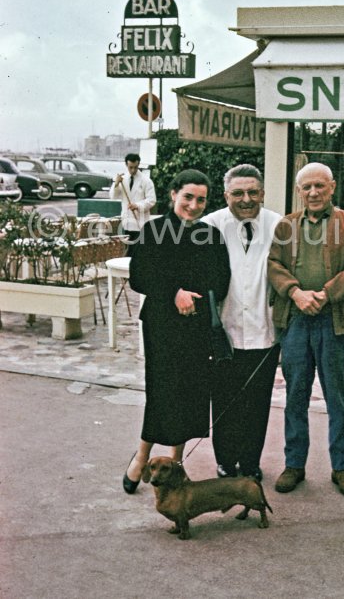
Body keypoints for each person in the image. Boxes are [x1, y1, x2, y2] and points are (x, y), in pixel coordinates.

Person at [122, 169, 230, 494]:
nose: (194, 205)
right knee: (162, 391)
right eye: (188, 197)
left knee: (188, 393)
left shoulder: (210, 236)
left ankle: (176, 462)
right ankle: (141, 457)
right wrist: (173, 291)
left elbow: (221, 281)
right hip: (161, 326)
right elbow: (139, 277)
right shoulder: (153, 230)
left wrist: (195, 293)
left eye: (201, 200)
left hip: (195, 328)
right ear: (173, 195)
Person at [267, 162, 344, 497]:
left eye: (319, 186)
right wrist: (295, 293)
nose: (313, 193)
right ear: (299, 191)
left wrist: (326, 294)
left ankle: (341, 468)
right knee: (295, 396)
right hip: (296, 320)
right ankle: (294, 464)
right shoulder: (286, 226)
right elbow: (273, 264)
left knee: (337, 398)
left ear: (332, 187)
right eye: (306, 187)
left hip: (335, 322)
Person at [201, 164, 282, 481]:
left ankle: (250, 462)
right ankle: (225, 460)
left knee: (257, 403)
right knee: (223, 400)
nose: (246, 199)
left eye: (253, 192)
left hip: (265, 331)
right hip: (224, 333)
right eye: (238, 193)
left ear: (262, 193)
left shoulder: (279, 226)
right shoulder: (209, 226)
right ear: (226, 195)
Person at [110, 153, 156, 246]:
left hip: (141, 223)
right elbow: (113, 196)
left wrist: (137, 205)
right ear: (126, 165)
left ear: (138, 164)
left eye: (135, 167)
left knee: (139, 251)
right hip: (126, 223)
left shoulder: (146, 181)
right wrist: (116, 184)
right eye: (130, 167)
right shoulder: (122, 179)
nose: (133, 170)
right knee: (127, 251)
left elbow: (152, 200)